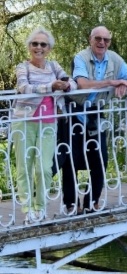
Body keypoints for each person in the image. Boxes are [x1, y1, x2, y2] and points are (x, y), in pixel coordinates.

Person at [63, 26, 127, 214]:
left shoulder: (114, 58)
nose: (102, 43)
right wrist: (112, 82)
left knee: (100, 158)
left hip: (97, 113)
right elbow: (82, 84)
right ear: (90, 39)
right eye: (98, 39)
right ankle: (71, 204)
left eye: (106, 40)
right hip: (75, 110)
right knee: (71, 159)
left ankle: (92, 200)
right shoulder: (81, 57)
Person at [12, 27, 76, 223]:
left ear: (49, 48)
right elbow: (24, 88)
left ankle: (40, 207)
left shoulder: (54, 66)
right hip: (24, 122)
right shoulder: (23, 67)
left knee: (44, 168)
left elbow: (71, 82)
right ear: (29, 46)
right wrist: (50, 87)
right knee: (24, 167)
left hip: (49, 122)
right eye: (34, 44)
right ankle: (27, 209)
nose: (38, 47)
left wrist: (66, 85)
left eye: (43, 44)